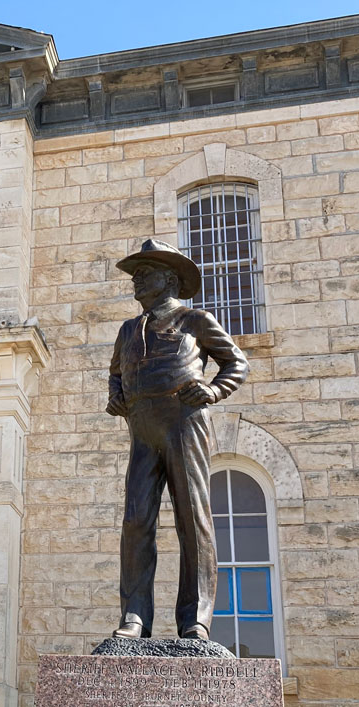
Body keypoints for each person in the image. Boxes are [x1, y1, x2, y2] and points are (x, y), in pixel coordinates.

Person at [106, 238, 249, 640]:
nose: (136, 281)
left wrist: (214, 390)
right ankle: (135, 617)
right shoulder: (128, 329)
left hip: (183, 421)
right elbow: (116, 371)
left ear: (168, 279)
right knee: (136, 520)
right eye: (135, 275)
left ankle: (195, 619)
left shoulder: (194, 320)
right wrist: (116, 395)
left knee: (192, 518)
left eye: (144, 273)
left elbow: (236, 362)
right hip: (143, 428)